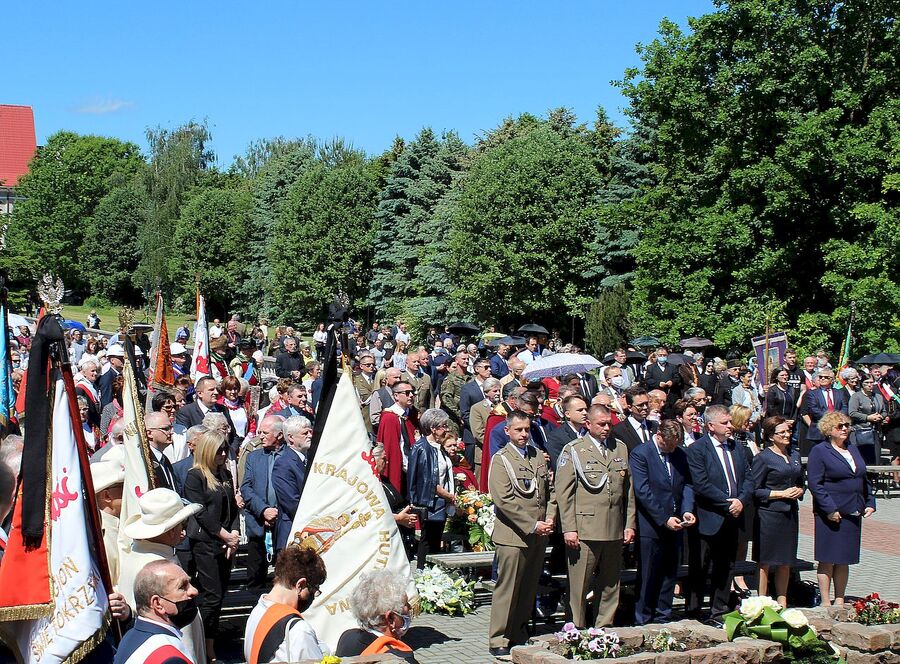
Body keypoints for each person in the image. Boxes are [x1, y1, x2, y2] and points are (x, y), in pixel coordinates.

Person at [556, 404, 636, 628]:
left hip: (613, 526)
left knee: (611, 581)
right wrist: (569, 528)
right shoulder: (574, 450)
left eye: (609, 423)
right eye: (602, 424)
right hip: (585, 527)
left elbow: (627, 491)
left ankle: (604, 626)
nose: (607, 428)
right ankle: (576, 628)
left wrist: (629, 524)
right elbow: (564, 493)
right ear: (588, 424)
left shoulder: (619, 448)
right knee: (580, 583)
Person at [487, 410, 555, 657]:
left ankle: (518, 632)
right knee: (508, 588)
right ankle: (498, 638)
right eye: (518, 430)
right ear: (507, 431)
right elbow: (503, 500)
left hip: (537, 533)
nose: (524, 434)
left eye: (526, 429)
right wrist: (532, 524)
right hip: (513, 535)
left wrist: (549, 517)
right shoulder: (502, 459)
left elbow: (549, 490)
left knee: (528, 588)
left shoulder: (537, 456)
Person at [117, 488, 206, 663]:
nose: (183, 531)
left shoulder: (139, 553)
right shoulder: (156, 566)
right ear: (171, 530)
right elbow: (181, 635)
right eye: (181, 524)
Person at [686, 404, 754, 625]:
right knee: (701, 566)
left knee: (726, 566)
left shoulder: (737, 448)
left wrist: (741, 501)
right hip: (709, 516)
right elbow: (701, 483)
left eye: (730, 422)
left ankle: (719, 610)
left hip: (733, 517)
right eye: (725, 423)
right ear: (710, 426)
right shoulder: (697, 449)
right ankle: (695, 611)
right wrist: (728, 503)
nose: (730, 426)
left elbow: (749, 480)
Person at [630, 420, 696, 625]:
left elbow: (686, 484)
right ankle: (643, 618)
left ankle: (663, 616)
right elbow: (643, 491)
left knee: (669, 573)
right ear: (659, 436)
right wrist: (663, 518)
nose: (673, 448)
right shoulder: (641, 454)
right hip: (652, 525)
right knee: (649, 574)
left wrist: (686, 510)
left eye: (676, 444)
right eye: (669, 444)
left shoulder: (679, 454)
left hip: (676, 522)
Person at [807, 411, 876, 607]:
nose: (845, 429)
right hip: (831, 513)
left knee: (844, 558)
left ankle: (840, 599)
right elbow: (815, 484)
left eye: (847, 425)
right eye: (840, 426)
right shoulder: (819, 451)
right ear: (829, 430)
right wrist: (829, 508)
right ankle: (826, 601)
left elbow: (862, 477)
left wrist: (870, 502)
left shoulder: (852, 449)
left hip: (853, 510)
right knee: (828, 557)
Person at [182, 429, 240, 660]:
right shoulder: (195, 476)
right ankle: (206, 647)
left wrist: (233, 534)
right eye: (219, 451)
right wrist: (223, 534)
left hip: (225, 541)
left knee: (220, 594)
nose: (224, 454)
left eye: (225, 450)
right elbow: (200, 511)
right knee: (211, 595)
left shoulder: (224, 473)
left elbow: (233, 507)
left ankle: (211, 640)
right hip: (206, 543)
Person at [752, 417, 804, 608]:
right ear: (771, 436)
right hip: (769, 514)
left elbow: (800, 481)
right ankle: (761, 601)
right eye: (781, 432)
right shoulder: (763, 458)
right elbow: (755, 490)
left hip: (790, 513)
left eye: (788, 431)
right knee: (765, 560)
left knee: (786, 560)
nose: (786, 435)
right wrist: (779, 494)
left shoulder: (795, 455)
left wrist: (800, 490)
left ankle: (782, 601)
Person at [244, 547, 328, 664]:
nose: (312, 596)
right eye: (313, 590)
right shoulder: (299, 630)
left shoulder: (257, 612)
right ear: (300, 585)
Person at [112, 560, 198, 664]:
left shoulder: (130, 637)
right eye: (182, 587)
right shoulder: (171, 659)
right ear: (158, 604)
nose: (194, 591)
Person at [241, 416, 285, 595]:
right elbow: (246, 488)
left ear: (280, 435)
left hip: (283, 523)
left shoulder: (290, 457)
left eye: (265, 433)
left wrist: (276, 514)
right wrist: (263, 510)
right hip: (258, 524)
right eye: (259, 432)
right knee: (255, 573)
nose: (260, 436)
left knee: (283, 574)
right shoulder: (254, 457)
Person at [407, 408, 456, 568]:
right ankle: (424, 574)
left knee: (435, 541)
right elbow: (428, 481)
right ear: (433, 428)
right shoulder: (422, 448)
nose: (447, 429)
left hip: (441, 502)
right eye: (443, 426)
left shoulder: (438, 447)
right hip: (431, 502)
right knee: (428, 542)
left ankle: (433, 575)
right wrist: (449, 496)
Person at [335, 569, 416, 661]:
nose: (410, 607)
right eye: (405, 604)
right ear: (390, 618)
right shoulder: (400, 657)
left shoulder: (347, 637)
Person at [272, 415, 312, 551]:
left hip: (310, 533)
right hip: (293, 534)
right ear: (290, 437)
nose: (310, 435)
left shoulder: (311, 461)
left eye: (310, 431)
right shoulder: (283, 464)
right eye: (305, 433)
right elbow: (291, 502)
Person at [376, 381, 418, 493]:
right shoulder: (389, 417)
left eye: (413, 392)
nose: (411, 395)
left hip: (413, 467)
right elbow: (391, 449)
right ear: (396, 396)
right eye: (407, 393)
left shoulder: (412, 414)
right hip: (399, 468)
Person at [801, 368, 849, 454]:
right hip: (818, 432)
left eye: (826, 377)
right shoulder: (812, 393)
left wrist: (837, 420)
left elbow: (844, 407)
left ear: (832, 380)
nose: (822, 379)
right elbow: (814, 410)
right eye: (821, 377)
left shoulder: (839, 393)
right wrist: (831, 419)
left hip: (837, 429)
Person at [848, 375, 886, 465]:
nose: (870, 385)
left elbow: (884, 411)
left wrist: (880, 416)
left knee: (875, 459)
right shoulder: (856, 396)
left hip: (876, 431)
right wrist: (868, 417)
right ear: (862, 384)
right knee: (863, 459)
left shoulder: (878, 396)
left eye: (871, 383)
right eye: (867, 383)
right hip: (861, 431)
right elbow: (852, 413)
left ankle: (874, 477)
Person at [545, 394, 589, 470]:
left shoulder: (590, 433)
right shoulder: (556, 437)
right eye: (580, 410)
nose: (585, 413)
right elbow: (559, 466)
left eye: (586, 409)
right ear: (568, 414)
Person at [610, 386, 657, 454]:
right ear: (629, 407)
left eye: (646, 403)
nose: (645, 407)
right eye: (640, 405)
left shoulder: (654, 426)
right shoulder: (619, 431)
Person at [146, 411, 177, 490]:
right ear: (149, 433)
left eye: (171, 427)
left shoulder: (164, 460)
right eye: (166, 428)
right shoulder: (146, 462)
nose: (171, 432)